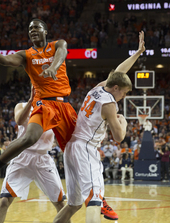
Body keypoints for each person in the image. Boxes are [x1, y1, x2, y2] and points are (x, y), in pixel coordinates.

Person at [0, 18, 77, 182]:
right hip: (44, 103)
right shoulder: (26, 55)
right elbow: (4, 60)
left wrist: (53, 68)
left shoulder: (58, 44)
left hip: (64, 105)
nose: (32, 30)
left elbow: (62, 53)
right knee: (29, 138)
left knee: (78, 150)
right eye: (30, 28)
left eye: (36, 27)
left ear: (46, 31)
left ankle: (98, 198)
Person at [53, 31, 145, 223]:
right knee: (95, 201)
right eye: (124, 93)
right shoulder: (110, 104)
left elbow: (119, 72)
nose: (124, 97)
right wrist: (124, 121)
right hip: (85, 149)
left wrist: (137, 54)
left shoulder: (99, 87)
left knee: (74, 204)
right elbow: (119, 137)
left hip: (71, 148)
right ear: (116, 89)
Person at [0, 88, 69, 223]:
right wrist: (30, 102)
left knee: (60, 204)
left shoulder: (55, 108)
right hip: (22, 156)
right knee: (4, 201)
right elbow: (20, 121)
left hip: (43, 159)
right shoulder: (21, 105)